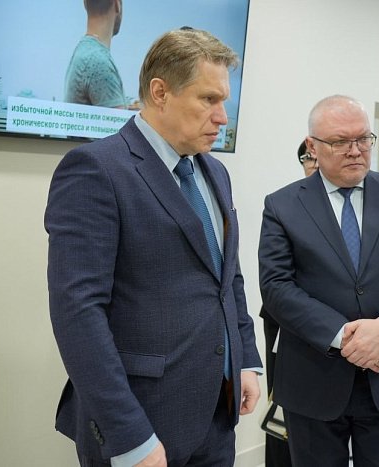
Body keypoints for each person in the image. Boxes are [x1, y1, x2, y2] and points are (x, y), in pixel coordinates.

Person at [45, 28, 262, 467]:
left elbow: (227, 278)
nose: (222, 117)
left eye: (224, 101)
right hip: (142, 421)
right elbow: (78, 314)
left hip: (216, 414)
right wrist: (128, 436)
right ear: (160, 92)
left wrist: (245, 360)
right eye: (209, 99)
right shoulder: (96, 169)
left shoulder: (215, 173)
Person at [258, 95, 379, 466]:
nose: (356, 150)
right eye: (340, 142)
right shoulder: (282, 205)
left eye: (363, 139)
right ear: (312, 146)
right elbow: (277, 287)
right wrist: (345, 337)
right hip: (314, 378)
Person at [258, 139, 315, 467]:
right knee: (283, 417)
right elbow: (274, 279)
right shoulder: (284, 205)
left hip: (342, 334)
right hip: (286, 327)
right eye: (308, 158)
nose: (315, 164)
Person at [65, 0, 127, 108]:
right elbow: (118, 119)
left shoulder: (85, 52)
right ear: (117, 4)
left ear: (85, 4)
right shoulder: (98, 63)